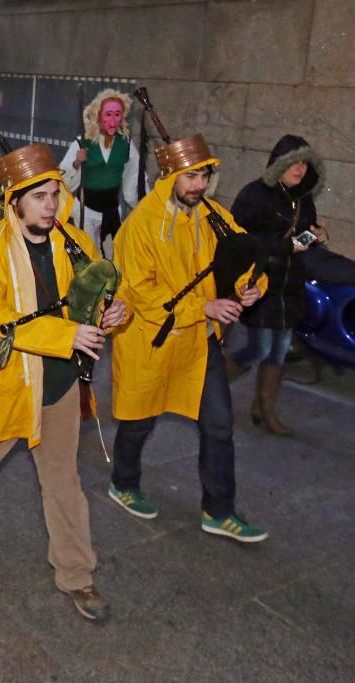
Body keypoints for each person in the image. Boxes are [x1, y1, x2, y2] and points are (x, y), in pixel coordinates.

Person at [0, 143, 124, 621]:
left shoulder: (74, 242)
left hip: (58, 383)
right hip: (10, 379)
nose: (50, 205)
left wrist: (114, 312)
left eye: (54, 194)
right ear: (15, 201)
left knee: (63, 480)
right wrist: (68, 333)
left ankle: (77, 575)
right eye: (39, 197)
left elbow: (95, 293)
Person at [108, 133, 269, 543]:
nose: (199, 184)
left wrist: (252, 286)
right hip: (151, 340)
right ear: (170, 175)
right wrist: (204, 308)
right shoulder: (141, 224)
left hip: (200, 343)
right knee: (139, 421)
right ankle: (124, 483)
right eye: (190, 176)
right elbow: (142, 292)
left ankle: (219, 510)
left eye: (204, 175)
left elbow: (244, 258)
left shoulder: (214, 214)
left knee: (218, 427)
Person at [228, 135, 327, 435]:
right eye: (293, 163)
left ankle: (265, 409)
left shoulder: (303, 198)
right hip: (261, 283)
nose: (299, 169)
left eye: (303, 164)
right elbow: (237, 239)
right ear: (278, 164)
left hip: (290, 285)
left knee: (279, 351)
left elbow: (304, 234)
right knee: (258, 349)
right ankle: (210, 387)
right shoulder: (255, 194)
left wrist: (317, 234)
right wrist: (286, 246)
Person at [59, 89, 144, 258]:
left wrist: (142, 208)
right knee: (89, 255)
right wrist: (76, 163)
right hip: (86, 210)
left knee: (113, 256)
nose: (113, 120)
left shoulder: (126, 144)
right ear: (98, 116)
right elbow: (63, 180)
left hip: (111, 211)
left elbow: (133, 179)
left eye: (117, 115)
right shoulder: (81, 142)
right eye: (108, 115)